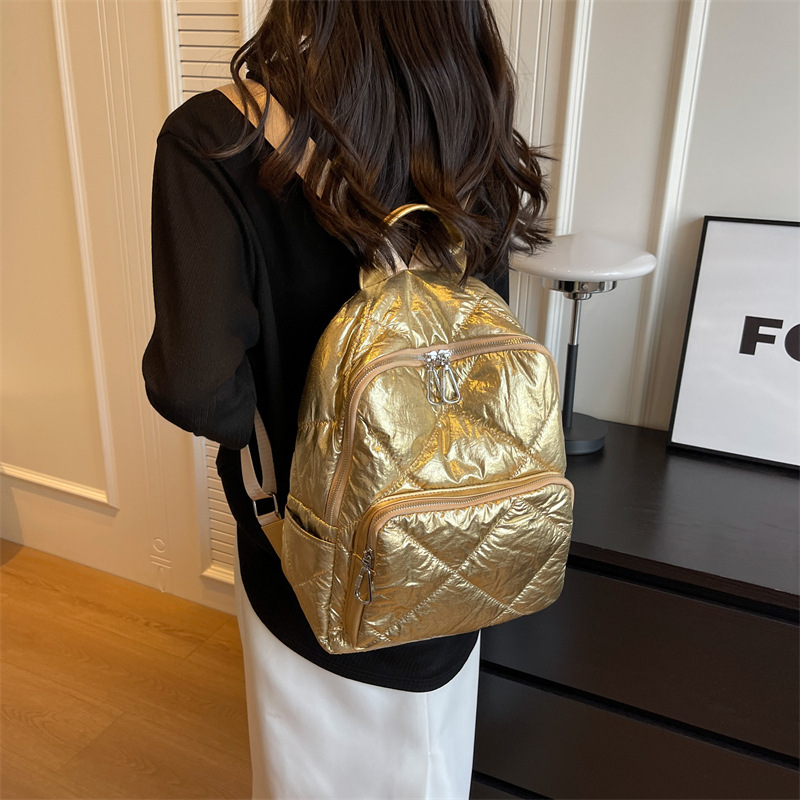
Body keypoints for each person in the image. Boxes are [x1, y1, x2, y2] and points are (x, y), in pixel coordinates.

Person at [142, 1, 550, 797]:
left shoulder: (217, 137)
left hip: (312, 557)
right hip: (464, 540)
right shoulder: (466, 118)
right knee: (432, 768)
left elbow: (197, 387)